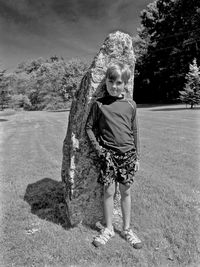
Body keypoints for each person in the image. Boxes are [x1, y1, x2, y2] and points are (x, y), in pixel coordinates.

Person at [85, 62, 142, 249]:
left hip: (128, 156)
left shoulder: (130, 105)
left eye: (118, 83)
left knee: (126, 192)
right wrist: (99, 150)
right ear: (106, 82)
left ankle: (126, 229)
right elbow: (89, 128)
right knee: (109, 192)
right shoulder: (99, 104)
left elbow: (134, 132)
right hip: (108, 157)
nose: (114, 86)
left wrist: (137, 157)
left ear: (125, 84)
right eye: (111, 82)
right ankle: (108, 228)